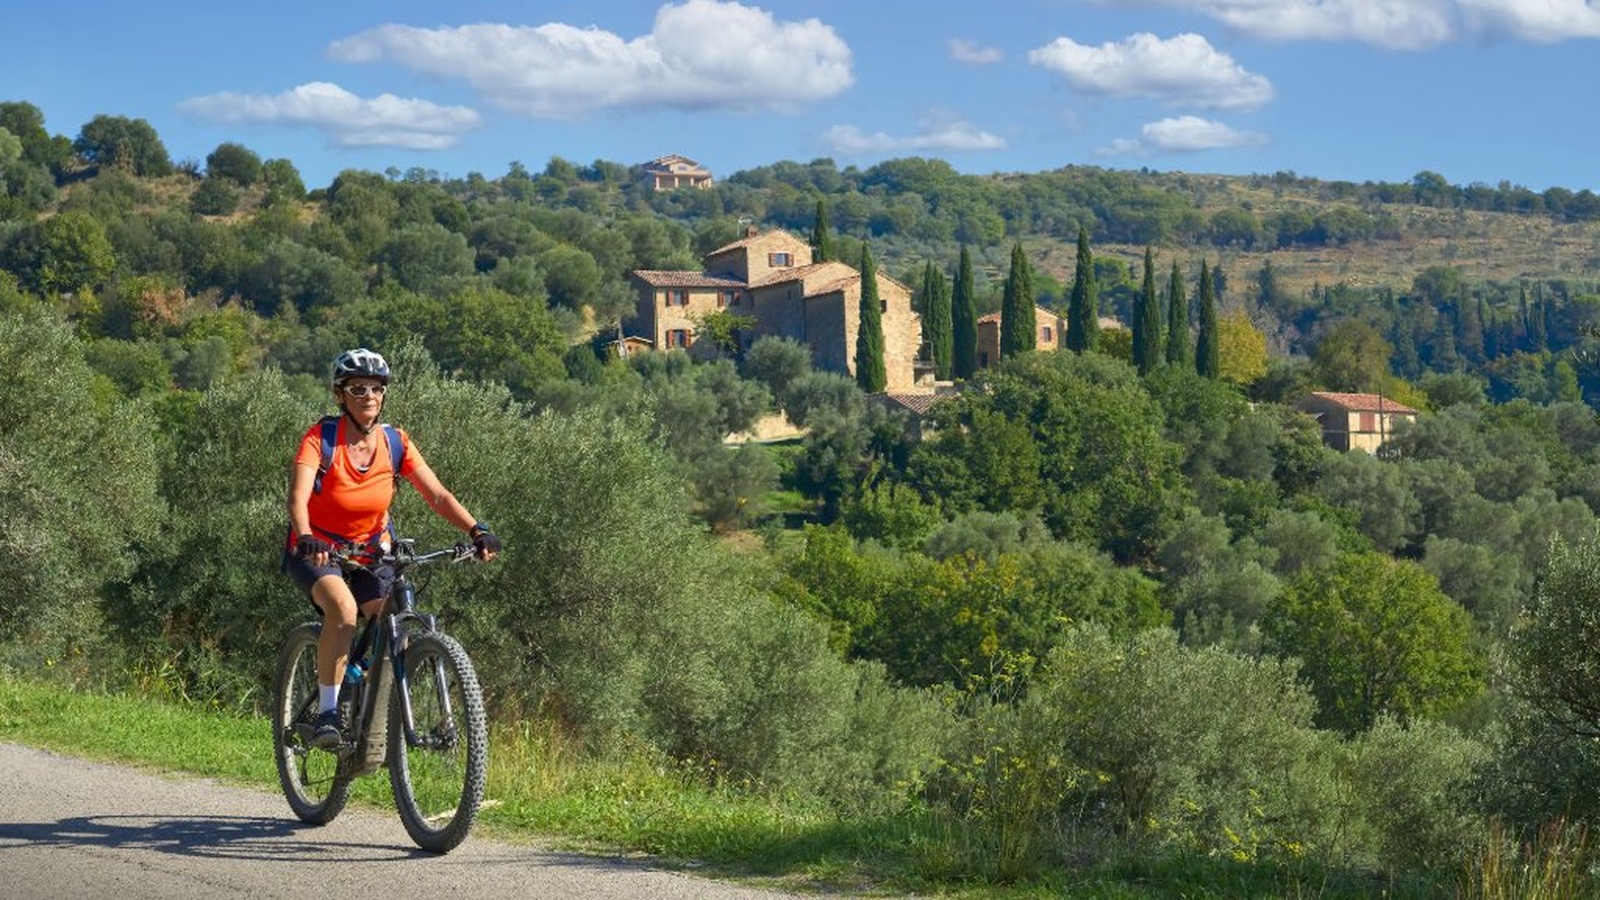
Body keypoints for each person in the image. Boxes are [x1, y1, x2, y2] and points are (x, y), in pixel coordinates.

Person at [285, 348, 500, 750]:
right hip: (318, 548)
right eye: (358, 388)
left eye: (376, 388)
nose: (368, 395)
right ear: (341, 395)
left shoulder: (395, 442)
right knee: (344, 611)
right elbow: (298, 498)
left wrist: (476, 529)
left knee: (394, 618)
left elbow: (436, 494)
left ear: (384, 395)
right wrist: (306, 534)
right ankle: (329, 711)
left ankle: (365, 694)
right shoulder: (321, 438)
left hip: (371, 550)